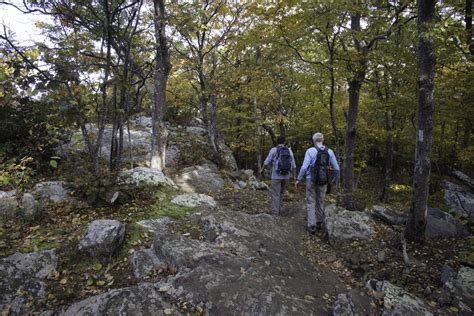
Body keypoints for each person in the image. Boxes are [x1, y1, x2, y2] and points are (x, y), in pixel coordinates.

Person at [295, 132, 339, 234]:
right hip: (324, 180)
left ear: (314, 141)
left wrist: (298, 179)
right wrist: (333, 180)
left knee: (311, 201)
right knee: (321, 200)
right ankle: (319, 222)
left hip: (311, 179)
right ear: (322, 140)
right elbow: (337, 168)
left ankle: (311, 225)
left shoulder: (310, 151)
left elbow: (304, 167)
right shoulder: (330, 151)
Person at [262, 136, 296, 215]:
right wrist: (294, 176)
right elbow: (294, 165)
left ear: (277, 142)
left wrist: (262, 169)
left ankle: (275, 213)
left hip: (276, 176)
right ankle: (280, 211)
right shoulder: (289, 150)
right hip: (286, 176)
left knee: (275, 194)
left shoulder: (273, 150)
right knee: (281, 193)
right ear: (284, 142)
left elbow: (266, 162)